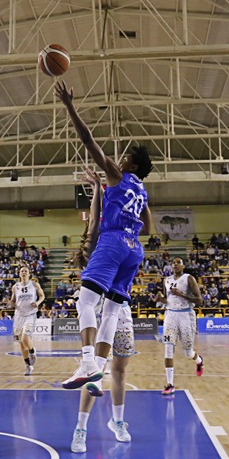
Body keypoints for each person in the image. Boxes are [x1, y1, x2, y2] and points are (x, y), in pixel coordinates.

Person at [55, 80, 153, 390]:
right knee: (111, 309)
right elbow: (149, 227)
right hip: (134, 248)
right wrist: (103, 192)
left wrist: (70, 106)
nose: (120, 160)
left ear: (131, 165)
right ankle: (97, 371)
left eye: (125, 159)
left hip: (113, 242)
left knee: (85, 302)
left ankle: (86, 362)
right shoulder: (142, 192)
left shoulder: (119, 175)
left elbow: (88, 141)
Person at [70, 168, 134, 453]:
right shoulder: (98, 245)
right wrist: (97, 189)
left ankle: (117, 421)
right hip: (98, 313)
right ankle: (81, 428)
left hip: (121, 311)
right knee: (93, 372)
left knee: (119, 370)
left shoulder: (125, 237)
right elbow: (94, 221)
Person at [156, 257, 205, 396]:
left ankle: (199, 360)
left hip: (186, 315)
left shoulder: (189, 279)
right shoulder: (167, 280)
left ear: (183, 266)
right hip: (170, 315)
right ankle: (170, 384)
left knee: (188, 352)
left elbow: (199, 300)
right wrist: (160, 300)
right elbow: (168, 300)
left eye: (178, 263)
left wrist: (182, 294)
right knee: (168, 349)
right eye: (173, 263)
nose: (175, 265)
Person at [8, 265, 44, 375]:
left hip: (30, 314)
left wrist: (37, 303)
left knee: (25, 338)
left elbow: (42, 296)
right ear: (19, 274)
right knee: (21, 343)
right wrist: (8, 302)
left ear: (29, 274)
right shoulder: (15, 286)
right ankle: (28, 365)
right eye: (21, 271)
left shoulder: (34, 284)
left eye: (25, 271)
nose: (23, 272)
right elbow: (13, 302)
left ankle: (32, 351)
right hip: (19, 315)